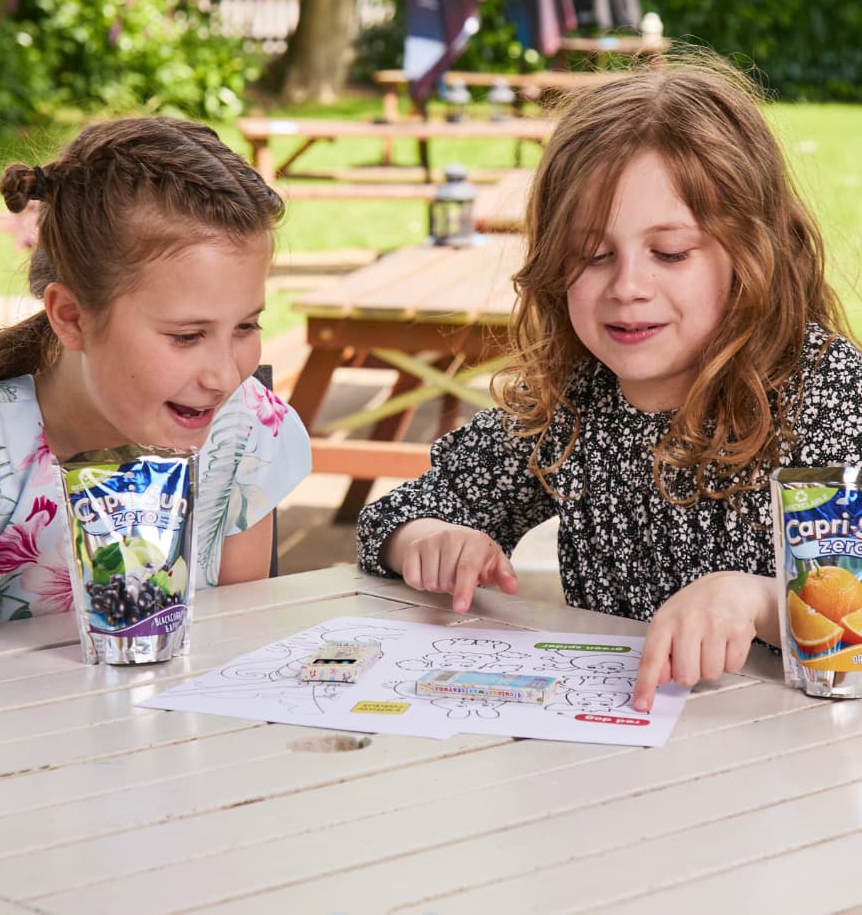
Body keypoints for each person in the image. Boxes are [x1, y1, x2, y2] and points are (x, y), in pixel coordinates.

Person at [357, 52, 862, 712]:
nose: (627, 287)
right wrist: (430, 541)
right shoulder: (572, 403)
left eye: (670, 253)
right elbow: (387, 519)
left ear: (750, 252)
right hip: (617, 766)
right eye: (593, 255)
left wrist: (759, 601)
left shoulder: (825, 394)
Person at [0, 116, 311, 625]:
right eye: (186, 336)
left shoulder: (245, 432)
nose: (225, 376)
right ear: (72, 318)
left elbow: (235, 645)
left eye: (246, 326)